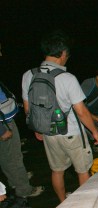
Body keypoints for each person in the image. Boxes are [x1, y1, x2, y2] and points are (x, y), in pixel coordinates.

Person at [21, 30, 98, 202]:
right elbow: (81, 111)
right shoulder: (68, 78)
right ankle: (84, 206)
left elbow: (28, 108)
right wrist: (94, 131)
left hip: (48, 133)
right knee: (82, 171)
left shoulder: (28, 75)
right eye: (67, 55)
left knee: (57, 170)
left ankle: (62, 202)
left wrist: (38, 128)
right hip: (71, 133)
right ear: (63, 53)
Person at [0, 42, 44, 198]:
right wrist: (2, 129)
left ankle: (15, 179)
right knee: (14, 157)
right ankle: (24, 189)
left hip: (5, 119)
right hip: (3, 124)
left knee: (5, 156)